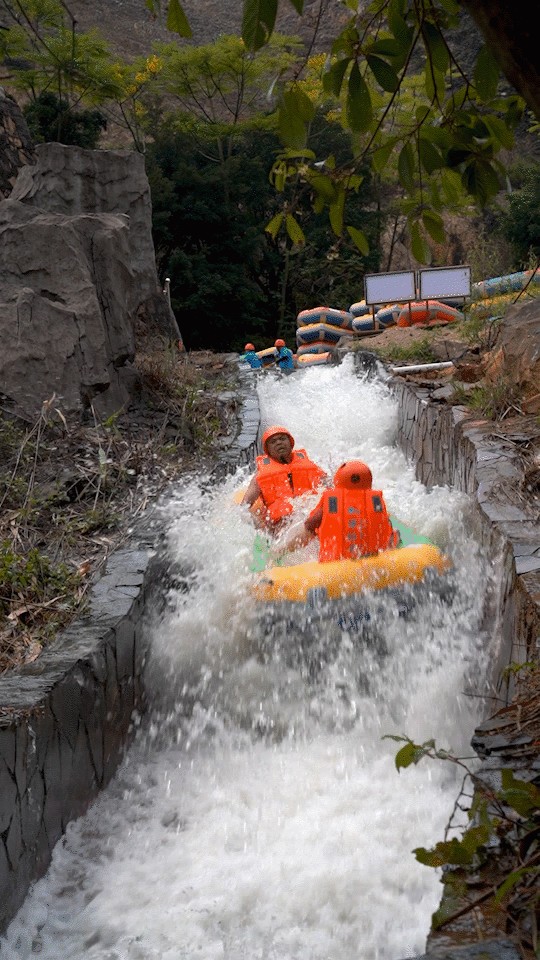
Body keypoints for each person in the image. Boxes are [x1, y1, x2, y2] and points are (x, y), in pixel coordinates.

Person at [278, 459, 400, 561]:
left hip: (336, 566)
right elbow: (385, 529)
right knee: (396, 532)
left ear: (338, 480)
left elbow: (310, 525)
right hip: (375, 563)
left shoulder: (331, 501)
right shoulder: (376, 501)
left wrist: (283, 550)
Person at [241, 425, 327, 530]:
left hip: (310, 518)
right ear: (267, 450)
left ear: (291, 443)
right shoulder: (259, 476)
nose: (278, 442)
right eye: (273, 441)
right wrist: (261, 528)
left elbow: (331, 486)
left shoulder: (310, 466)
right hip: (281, 527)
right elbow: (243, 508)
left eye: (282, 439)